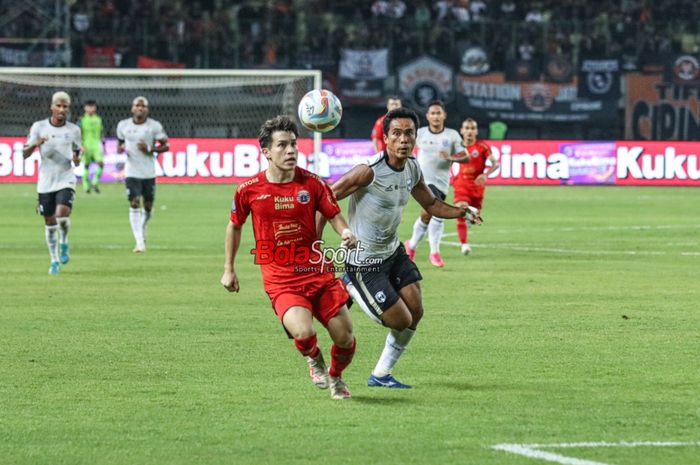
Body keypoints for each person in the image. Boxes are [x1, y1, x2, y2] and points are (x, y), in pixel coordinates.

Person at [329, 107, 478, 389]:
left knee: (417, 310)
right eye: (396, 133)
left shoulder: (412, 167)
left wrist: (461, 211)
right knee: (400, 320)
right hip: (364, 262)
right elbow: (326, 197)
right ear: (385, 138)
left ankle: (381, 374)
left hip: (393, 252)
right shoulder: (368, 171)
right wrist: (319, 238)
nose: (403, 139)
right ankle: (348, 282)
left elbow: (431, 204)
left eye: (409, 133)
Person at [221, 115, 357, 400]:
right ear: (267, 152)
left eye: (294, 144)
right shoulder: (249, 190)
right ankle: (314, 358)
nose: (291, 150)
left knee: (346, 338)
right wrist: (229, 269)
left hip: (319, 274)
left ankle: (336, 376)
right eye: (282, 145)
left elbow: (334, 216)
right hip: (282, 280)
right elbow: (235, 225)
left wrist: (345, 233)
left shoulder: (313, 184)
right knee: (304, 333)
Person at [22, 91, 82, 275]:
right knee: (49, 221)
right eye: (59, 106)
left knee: (62, 215)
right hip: (46, 181)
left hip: (66, 177)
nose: (62, 109)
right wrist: (35, 144)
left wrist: (77, 159)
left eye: (65, 107)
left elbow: (77, 152)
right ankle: (54, 260)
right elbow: (25, 153)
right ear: (52, 106)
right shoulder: (39, 127)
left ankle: (64, 240)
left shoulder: (73, 130)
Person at [404, 100, 463, 268]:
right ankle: (434, 252)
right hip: (422, 181)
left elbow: (464, 156)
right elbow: (406, 147)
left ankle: (411, 245)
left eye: (439, 113)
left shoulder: (452, 135)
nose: (436, 116)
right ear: (428, 116)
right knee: (437, 212)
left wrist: (451, 158)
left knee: (426, 215)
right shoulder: (420, 133)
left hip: (442, 182)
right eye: (433, 113)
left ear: (444, 115)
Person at [116, 96, 169, 253]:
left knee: (148, 206)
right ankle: (139, 242)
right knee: (134, 202)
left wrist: (150, 149)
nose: (140, 108)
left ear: (147, 109)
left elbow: (166, 146)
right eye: (137, 106)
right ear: (132, 108)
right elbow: (120, 143)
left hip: (148, 172)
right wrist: (120, 148)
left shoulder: (154, 126)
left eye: (143, 106)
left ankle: (143, 225)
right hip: (131, 171)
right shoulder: (123, 125)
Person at [451, 118, 500, 255]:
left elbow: (495, 164)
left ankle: (471, 218)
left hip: (477, 186)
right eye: (466, 128)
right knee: (460, 210)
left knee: (475, 217)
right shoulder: (457, 146)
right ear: (462, 131)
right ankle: (464, 244)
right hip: (461, 184)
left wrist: (486, 174)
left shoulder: (482, 147)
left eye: (472, 128)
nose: (469, 131)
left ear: (476, 131)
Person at [79, 100, 104, 194]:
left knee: (101, 164)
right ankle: (86, 186)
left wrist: (103, 143)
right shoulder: (82, 119)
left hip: (96, 145)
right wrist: (80, 145)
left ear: (95, 108)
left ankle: (94, 182)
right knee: (86, 165)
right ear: (85, 108)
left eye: (92, 106)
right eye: (88, 106)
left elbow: (101, 132)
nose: (90, 109)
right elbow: (79, 133)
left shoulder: (98, 119)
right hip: (86, 144)